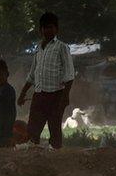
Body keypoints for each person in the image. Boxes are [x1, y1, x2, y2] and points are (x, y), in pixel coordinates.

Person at [19, 12, 75, 149]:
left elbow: (69, 74)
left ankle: (55, 158)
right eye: (44, 27)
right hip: (39, 95)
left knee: (54, 129)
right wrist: (22, 94)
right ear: (40, 30)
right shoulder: (38, 49)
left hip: (56, 94)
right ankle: (34, 156)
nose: (47, 30)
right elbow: (32, 75)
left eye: (50, 27)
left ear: (56, 29)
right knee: (32, 130)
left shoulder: (62, 47)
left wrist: (65, 96)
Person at [0, 59, 17, 148]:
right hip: (0, 135)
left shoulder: (7, 91)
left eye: (0, 74)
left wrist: (5, 135)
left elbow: (10, 114)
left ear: (7, 74)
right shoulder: (2, 90)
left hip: (4, 135)